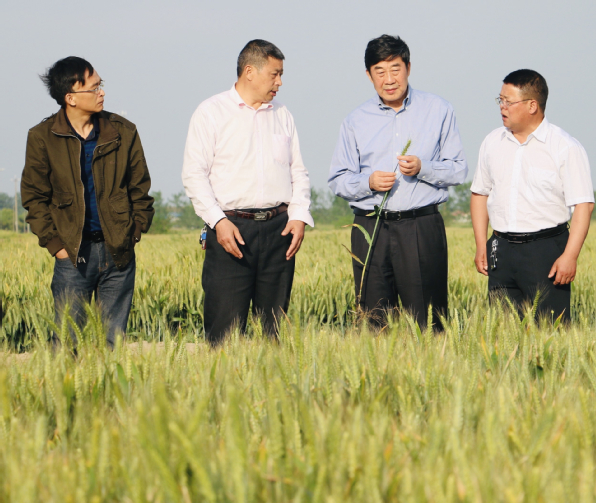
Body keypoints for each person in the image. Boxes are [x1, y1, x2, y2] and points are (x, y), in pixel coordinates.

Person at [328, 34, 467, 330]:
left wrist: (423, 167)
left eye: (395, 69)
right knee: (374, 322)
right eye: (380, 71)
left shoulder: (439, 110)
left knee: (428, 322)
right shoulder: (354, 120)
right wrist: (368, 182)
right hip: (370, 228)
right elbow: (338, 180)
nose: (389, 79)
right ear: (369, 75)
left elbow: (458, 170)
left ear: (408, 68)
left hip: (420, 227)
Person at [182, 39, 313, 345]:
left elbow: (298, 171)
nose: (280, 82)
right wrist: (218, 222)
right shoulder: (211, 112)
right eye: (275, 74)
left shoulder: (282, 114)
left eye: (281, 75)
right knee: (225, 333)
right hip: (231, 230)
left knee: (274, 331)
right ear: (250, 72)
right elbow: (194, 174)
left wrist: (298, 216)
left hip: (279, 231)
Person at [21, 56, 154, 347]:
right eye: (93, 88)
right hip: (72, 254)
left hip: (118, 251)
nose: (101, 92)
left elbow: (140, 188)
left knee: (112, 345)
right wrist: (57, 247)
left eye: (100, 85)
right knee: (67, 346)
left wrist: (133, 232)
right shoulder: (42, 137)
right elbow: (34, 197)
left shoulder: (123, 131)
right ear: (70, 97)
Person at [470, 69, 594, 321]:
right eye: (500, 100)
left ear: (532, 106)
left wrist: (570, 256)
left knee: (551, 330)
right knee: (502, 331)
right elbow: (479, 194)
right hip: (500, 248)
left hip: (545, 251)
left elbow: (584, 205)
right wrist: (481, 244)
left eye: (508, 101)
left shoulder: (564, 146)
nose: (502, 107)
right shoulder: (492, 142)